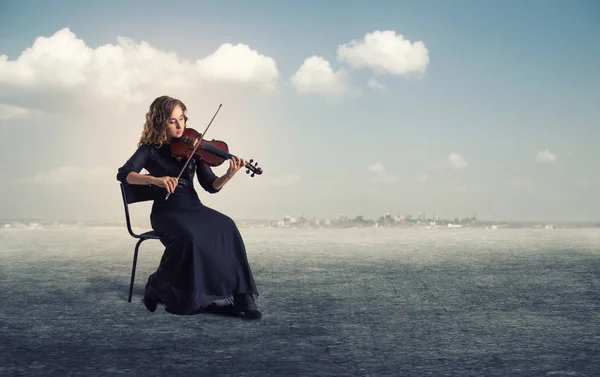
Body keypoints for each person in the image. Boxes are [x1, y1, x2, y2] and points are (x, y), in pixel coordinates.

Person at [116, 95, 262, 320]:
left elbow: (210, 186)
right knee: (191, 238)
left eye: (182, 118)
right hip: (167, 212)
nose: (180, 125)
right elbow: (124, 174)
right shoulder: (149, 149)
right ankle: (156, 283)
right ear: (160, 122)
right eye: (173, 120)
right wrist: (155, 180)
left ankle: (242, 295)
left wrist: (229, 174)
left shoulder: (194, 147)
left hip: (193, 207)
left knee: (227, 226)